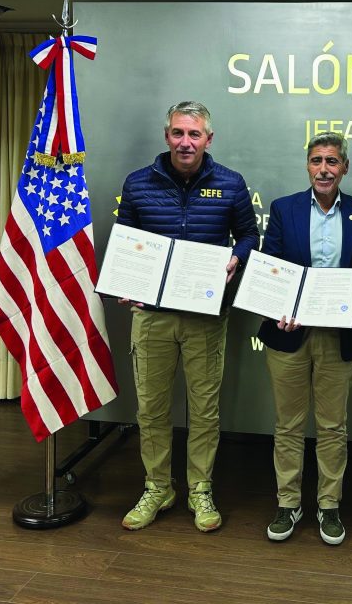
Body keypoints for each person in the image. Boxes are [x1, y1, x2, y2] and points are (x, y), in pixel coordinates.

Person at [116, 100, 259, 532]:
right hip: (154, 316)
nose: (185, 142)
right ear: (167, 137)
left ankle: (200, 488)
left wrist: (237, 258)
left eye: (194, 134)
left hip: (205, 316)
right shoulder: (138, 184)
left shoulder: (231, 184)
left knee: (204, 409)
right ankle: (158, 486)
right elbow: (126, 240)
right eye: (178, 133)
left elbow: (249, 234)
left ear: (208, 139)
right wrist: (127, 280)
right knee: (151, 409)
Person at [256, 132, 352, 545]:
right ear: (307, 165)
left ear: (344, 167)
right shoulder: (283, 209)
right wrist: (279, 307)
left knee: (332, 426)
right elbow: (271, 267)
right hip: (289, 334)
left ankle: (329, 507)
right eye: (316, 161)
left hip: (338, 335)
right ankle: (288, 504)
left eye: (331, 161)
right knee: (287, 426)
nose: (323, 169)